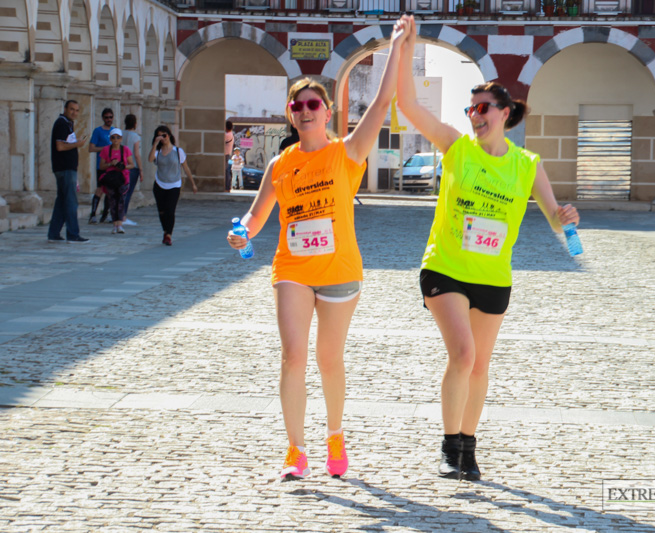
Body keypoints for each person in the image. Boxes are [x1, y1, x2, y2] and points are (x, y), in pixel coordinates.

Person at [396, 14, 580, 482]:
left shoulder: (526, 165)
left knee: (479, 366)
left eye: (482, 109)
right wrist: (404, 47)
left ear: (504, 113)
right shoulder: (456, 148)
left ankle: (468, 449)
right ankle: (448, 446)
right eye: (470, 109)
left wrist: (566, 216)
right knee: (462, 355)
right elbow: (408, 104)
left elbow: (554, 215)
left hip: (494, 276)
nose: (474, 116)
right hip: (445, 267)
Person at [226, 19, 410, 481]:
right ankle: (295, 450)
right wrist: (242, 231)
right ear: (291, 114)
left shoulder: (347, 153)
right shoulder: (280, 163)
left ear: (327, 112)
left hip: (341, 269)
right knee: (292, 356)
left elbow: (384, 100)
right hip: (292, 268)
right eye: (297, 105)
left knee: (329, 358)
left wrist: (395, 48)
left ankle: (334, 435)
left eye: (313, 104)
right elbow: (257, 213)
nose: (305, 110)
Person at [47, 100, 90, 243]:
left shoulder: (67, 124)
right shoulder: (62, 124)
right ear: (65, 109)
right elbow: (60, 146)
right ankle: (73, 234)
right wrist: (78, 144)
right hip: (64, 169)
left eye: (77, 110)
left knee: (62, 201)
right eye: (72, 109)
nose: (74, 113)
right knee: (71, 202)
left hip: (66, 168)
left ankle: (53, 233)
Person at [148, 125, 198, 246]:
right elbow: (150, 160)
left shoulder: (178, 151)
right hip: (160, 184)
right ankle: (165, 231)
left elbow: (185, 168)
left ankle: (168, 235)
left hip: (174, 185)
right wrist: (155, 144)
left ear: (169, 135)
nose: (162, 138)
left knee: (170, 211)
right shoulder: (157, 151)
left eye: (164, 135)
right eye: (159, 136)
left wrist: (193, 184)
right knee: (161, 211)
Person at [98, 128, 134, 234]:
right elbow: (101, 166)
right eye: (113, 137)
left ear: (121, 138)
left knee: (121, 201)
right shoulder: (106, 150)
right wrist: (110, 163)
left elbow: (132, 164)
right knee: (113, 201)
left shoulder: (125, 149)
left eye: (118, 137)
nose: (116, 140)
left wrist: (122, 166)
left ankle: (120, 224)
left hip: (123, 178)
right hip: (111, 178)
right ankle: (115, 224)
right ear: (110, 138)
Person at [88, 107, 115, 223]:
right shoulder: (98, 131)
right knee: (100, 189)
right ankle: (93, 214)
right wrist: (105, 149)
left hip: (112, 166)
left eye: (110, 117)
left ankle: (105, 214)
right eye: (106, 117)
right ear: (103, 118)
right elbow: (91, 148)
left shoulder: (114, 131)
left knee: (110, 190)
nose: (108, 119)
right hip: (102, 165)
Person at [121, 114, 142, 226]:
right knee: (128, 192)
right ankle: (123, 216)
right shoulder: (135, 137)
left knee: (120, 192)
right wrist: (141, 169)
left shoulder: (120, 134)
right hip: (132, 167)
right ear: (135, 124)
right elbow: (137, 154)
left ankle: (117, 215)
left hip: (121, 166)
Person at [224, 120, 234, 192]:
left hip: (225, 154)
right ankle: (227, 187)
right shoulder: (230, 133)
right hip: (227, 153)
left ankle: (227, 187)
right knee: (227, 170)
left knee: (226, 171)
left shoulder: (227, 135)